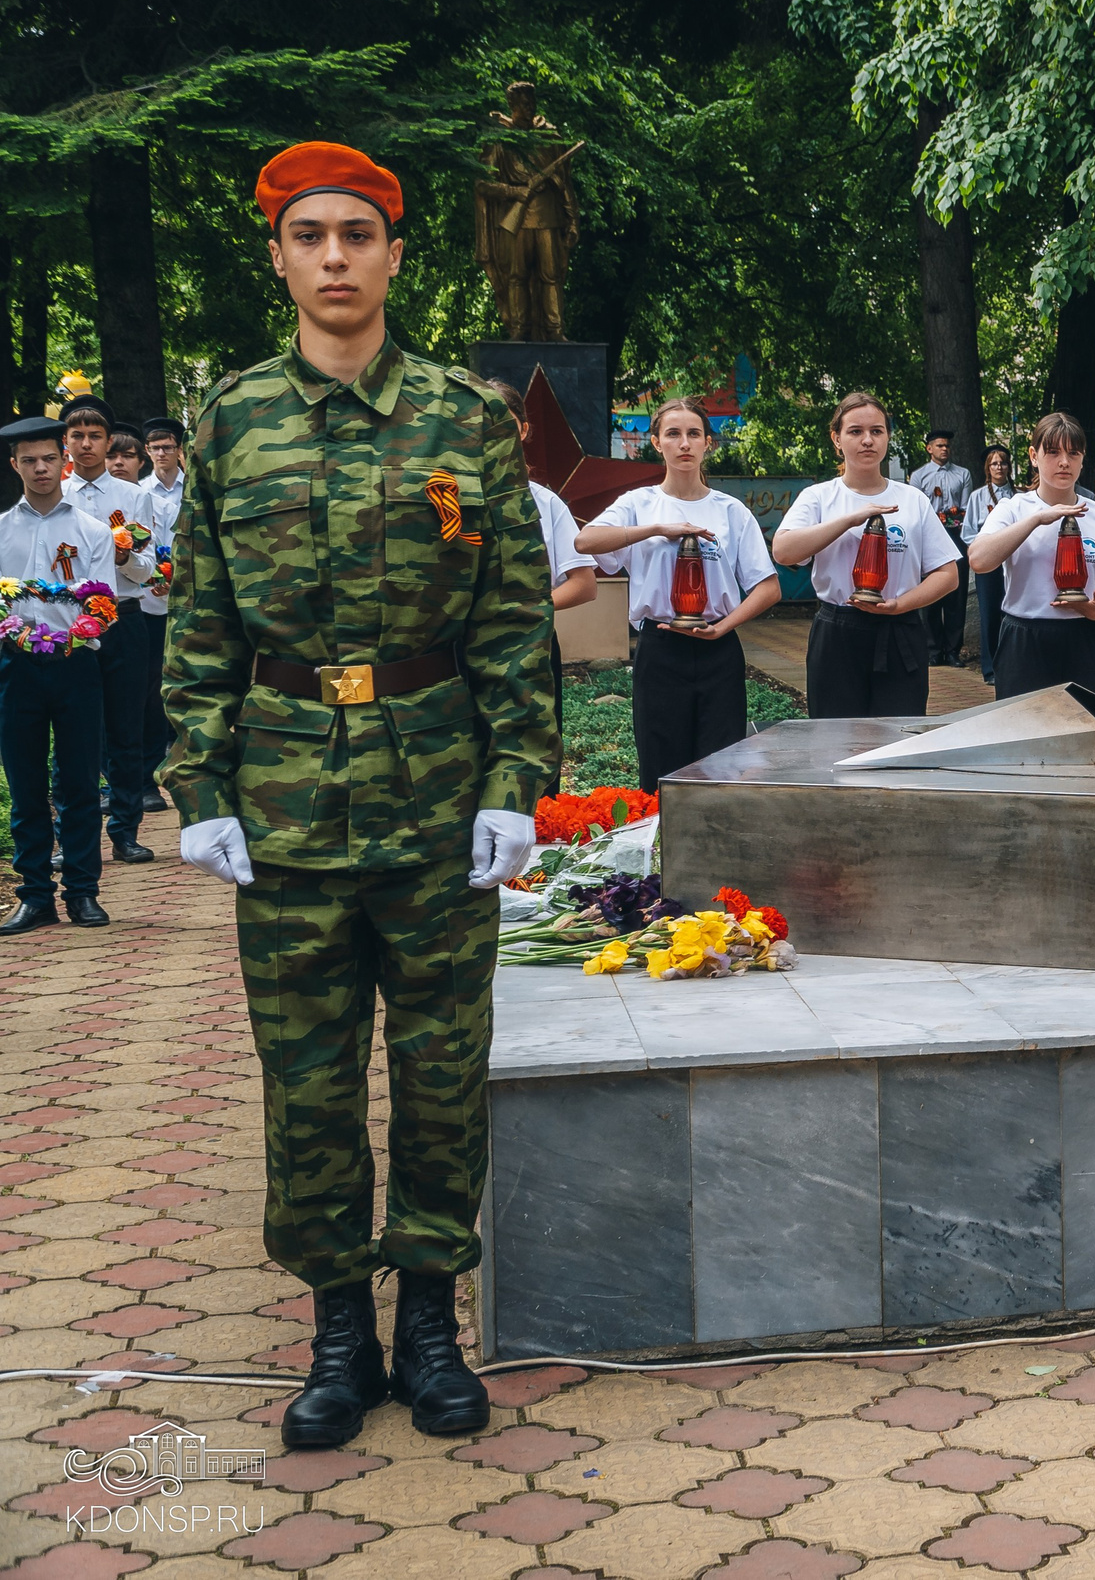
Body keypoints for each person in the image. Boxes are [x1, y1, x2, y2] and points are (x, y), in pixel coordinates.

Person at [163, 140, 555, 1449]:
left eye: (358, 235)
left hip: (439, 797)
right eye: (310, 235)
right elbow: (201, 622)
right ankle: (340, 1324)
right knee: (310, 1078)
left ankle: (431, 1320)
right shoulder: (230, 419)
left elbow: (511, 623)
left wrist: (518, 781)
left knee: (444, 1069)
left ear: (393, 254)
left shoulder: (463, 420)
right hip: (282, 806)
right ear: (278, 254)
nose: (335, 257)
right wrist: (196, 777)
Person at [576, 397, 780, 791]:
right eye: (673, 434)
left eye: (693, 434)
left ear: (708, 443)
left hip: (718, 648)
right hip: (660, 647)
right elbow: (586, 541)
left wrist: (724, 628)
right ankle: (663, 848)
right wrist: (657, 529)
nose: (684, 443)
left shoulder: (731, 510)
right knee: (660, 766)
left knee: (722, 767)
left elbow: (767, 587)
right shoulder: (639, 504)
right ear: (656, 442)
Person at [0, 417, 151, 931]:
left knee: (81, 781)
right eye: (29, 460)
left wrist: (77, 634)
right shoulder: (1, 530)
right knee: (24, 783)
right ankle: (35, 895)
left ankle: (83, 891)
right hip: (15, 667)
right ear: (14, 464)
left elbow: (103, 601)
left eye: (48, 458)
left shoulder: (90, 532)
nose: (40, 469)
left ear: (62, 460)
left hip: (77, 664)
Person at [775, 392, 960, 717]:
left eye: (876, 431)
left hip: (899, 629)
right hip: (838, 633)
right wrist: (849, 519)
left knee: (897, 742)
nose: (867, 440)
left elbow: (948, 575)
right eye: (855, 431)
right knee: (835, 740)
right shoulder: (819, 497)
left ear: (887, 436)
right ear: (837, 438)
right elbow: (784, 550)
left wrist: (900, 605)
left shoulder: (912, 499)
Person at [482, 382, 600, 793]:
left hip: (532, 647)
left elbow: (584, 585)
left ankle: (544, 846)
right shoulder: (448, 498)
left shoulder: (545, 503)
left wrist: (522, 607)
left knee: (535, 758)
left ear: (524, 430)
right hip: (460, 650)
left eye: (506, 421)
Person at [57, 394, 158, 865]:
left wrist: (123, 556)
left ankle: (125, 830)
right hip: (72, 623)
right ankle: (70, 835)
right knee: (74, 731)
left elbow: (148, 567)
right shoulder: (52, 496)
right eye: (77, 435)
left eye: (95, 435)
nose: (87, 444)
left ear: (108, 440)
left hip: (123, 617)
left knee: (125, 729)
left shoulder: (134, 496)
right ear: (66, 443)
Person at [970, 412, 1095, 697]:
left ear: (1083, 458)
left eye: (1073, 453)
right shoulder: (1013, 510)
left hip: (1086, 637)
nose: (1064, 462)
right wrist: (1037, 519)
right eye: (1053, 452)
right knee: (1023, 735)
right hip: (1024, 640)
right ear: (1034, 456)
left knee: (1087, 732)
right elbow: (979, 560)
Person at [136, 417, 189, 805]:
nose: (161, 454)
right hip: (152, 597)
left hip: (192, 595)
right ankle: (153, 765)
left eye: (167, 447)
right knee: (153, 683)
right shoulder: (140, 493)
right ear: (146, 452)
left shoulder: (195, 489)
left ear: (178, 449)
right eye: (154, 448)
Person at [908, 426, 974, 666]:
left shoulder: (962, 474)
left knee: (956, 595)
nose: (944, 449)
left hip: (955, 535)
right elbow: (915, 509)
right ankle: (933, 650)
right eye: (940, 445)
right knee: (930, 596)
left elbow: (965, 506)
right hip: (929, 538)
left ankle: (953, 651)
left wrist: (954, 518)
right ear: (929, 448)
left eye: (947, 445)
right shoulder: (919, 476)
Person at [961, 444, 1015, 684]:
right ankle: (990, 668)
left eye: (1002, 463)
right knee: (990, 613)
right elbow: (968, 532)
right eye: (994, 463)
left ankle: (1011, 663)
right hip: (989, 565)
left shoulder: (1019, 496)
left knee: (1011, 612)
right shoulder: (977, 497)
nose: (999, 467)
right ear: (988, 468)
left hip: (1013, 562)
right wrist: (987, 547)